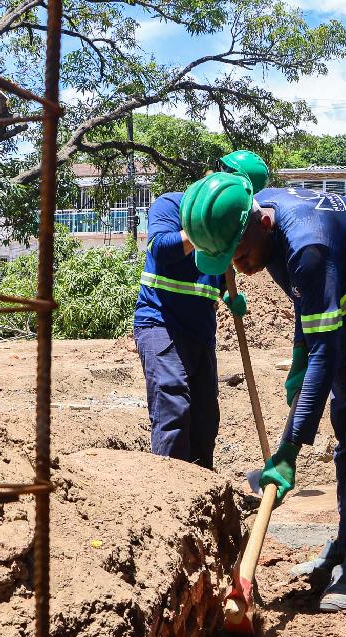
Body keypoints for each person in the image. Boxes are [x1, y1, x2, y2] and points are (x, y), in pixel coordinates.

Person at [180, 173, 346, 611]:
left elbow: (325, 351)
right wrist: (298, 358)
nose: (239, 268)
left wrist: (288, 452)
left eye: (241, 255)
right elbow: (305, 298)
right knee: (342, 417)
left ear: (263, 225)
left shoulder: (307, 246)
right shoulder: (262, 226)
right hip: (345, 295)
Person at [133, 151, 268, 467]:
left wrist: (228, 296)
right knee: (173, 407)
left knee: (205, 419)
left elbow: (221, 274)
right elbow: (162, 249)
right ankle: (170, 498)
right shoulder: (171, 205)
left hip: (201, 333)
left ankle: (203, 498)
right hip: (160, 324)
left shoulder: (234, 228)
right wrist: (206, 227)